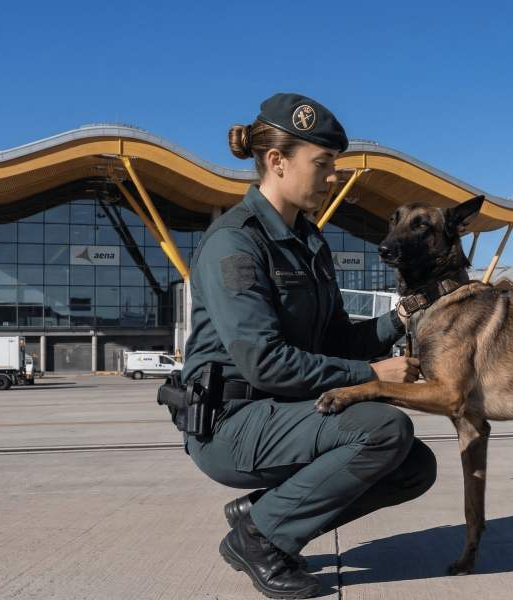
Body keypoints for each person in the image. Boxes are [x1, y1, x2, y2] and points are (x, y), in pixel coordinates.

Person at [181, 93, 436, 599]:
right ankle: (260, 538)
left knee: (413, 467)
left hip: (285, 414)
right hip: (232, 422)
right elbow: (265, 363)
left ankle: (265, 515)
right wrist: (371, 376)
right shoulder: (236, 243)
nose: (333, 177)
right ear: (277, 161)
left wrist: (402, 316)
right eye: (322, 164)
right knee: (386, 428)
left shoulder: (309, 243)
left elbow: (337, 338)